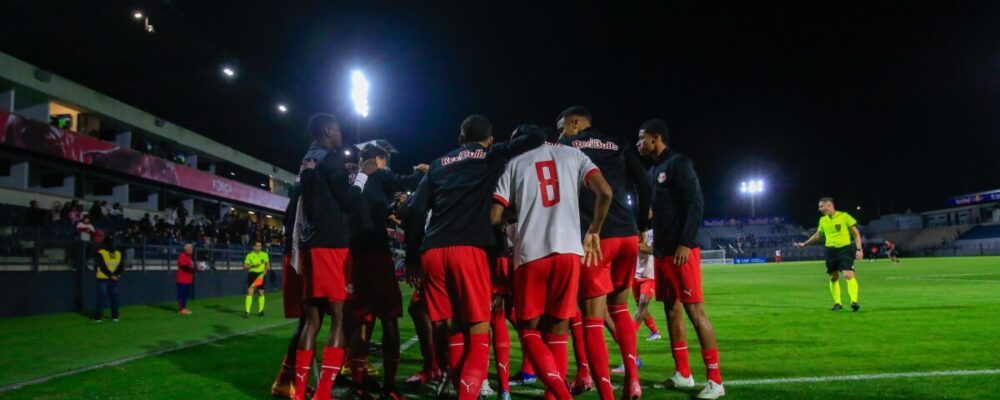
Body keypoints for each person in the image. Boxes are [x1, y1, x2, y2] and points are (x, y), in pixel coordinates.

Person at [403, 115, 543, 399]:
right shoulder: (491, 155)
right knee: (480, 329)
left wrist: (412, 257)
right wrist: (501, 145)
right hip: (470, 250)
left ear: (460, 139)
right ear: (489, 138)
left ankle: (460, 389)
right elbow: (537, 137)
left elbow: (415, 212)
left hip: (432, 252)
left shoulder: (439, 164)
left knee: (452, 328)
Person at [490, 124, 613, 400]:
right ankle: (553, 396)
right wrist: (594, 230)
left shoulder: (515, 163)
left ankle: (560, 395)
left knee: (529, 331)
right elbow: (605, 192)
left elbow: (495, 217)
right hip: (569, 252)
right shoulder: (574, 155)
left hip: (531, 254)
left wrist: (513, 215)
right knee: (559, 330)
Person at [557, 106, 651, 399]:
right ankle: (633, 380)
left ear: (574, 123)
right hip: (626, 234)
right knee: (620, 308)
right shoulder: (619, 144)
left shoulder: (568, 146)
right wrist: (641, 225)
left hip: (595, 238)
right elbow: (644, 183)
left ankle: (606, 393)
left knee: (592, 318)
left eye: (561, 126)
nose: (560, 132)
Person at [637, 119, 724, 399]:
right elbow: (654, 211)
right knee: (671, 310)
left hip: (680, 251)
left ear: (656, 138)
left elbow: (695, 203)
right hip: (661, 253)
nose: (639, 143)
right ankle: (683, 374)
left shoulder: (679, 163)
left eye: (642, 138)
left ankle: (715, 381)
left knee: (695, 312)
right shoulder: (653, 171)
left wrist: (686, 242)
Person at [291, 113, 376, 400]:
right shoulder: (329, 158)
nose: (340, 135)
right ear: (327, 130)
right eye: (338, 131)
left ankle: (301, 390)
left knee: (312, 318)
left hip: (310, 243)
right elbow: (350, 201)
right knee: (339, 317)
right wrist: (363, 175)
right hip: (332, 245)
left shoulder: (307, 158)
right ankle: (323, 393)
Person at [348, 144, 427, 399]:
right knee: (390, 318)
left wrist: (390, 211)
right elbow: (405, 180)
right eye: (386, 160)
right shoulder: (379, 174)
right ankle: (389, 387)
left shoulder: (354, 180)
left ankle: (358, 382)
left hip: (354, 255)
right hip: (376, 254)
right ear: (377, 159)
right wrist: (421, 170)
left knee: (361, 320)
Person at [794, 198, 864, 312]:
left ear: (830, 205)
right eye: (819, 207)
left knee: (848, 275)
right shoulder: (823, 220)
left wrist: (859, 249)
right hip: (830, 251)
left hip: (844, 249)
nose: (820, 209)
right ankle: (837, 303)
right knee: (833, 277)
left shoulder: (844, 216)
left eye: (822, 206)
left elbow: (855, 233)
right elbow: (818, 235)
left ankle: (854, 302)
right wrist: (805, 244)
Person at [633, 230, 661, 341]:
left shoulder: (654, 230)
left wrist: (635, 246)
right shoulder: (634, 228)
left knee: (643, 303)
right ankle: (655, 331)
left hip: (649, 274)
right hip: (635, 274)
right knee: (641, 308)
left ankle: (630, 334)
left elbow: (654, 250)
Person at [94, 237, 124, 322]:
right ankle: (114, 317)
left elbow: (120, 266)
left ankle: (99, 317)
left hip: (105, 278)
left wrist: (113, 275)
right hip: (107, 278)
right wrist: (114, 275)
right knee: (112, 297)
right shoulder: (103, 253)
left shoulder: (102, 252)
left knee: (105, 298)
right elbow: (103, 266)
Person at [243, 241, 270, 318]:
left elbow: (267, 266)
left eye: (260, 246)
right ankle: (247, 312)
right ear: (254, 247)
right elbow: (244, 267)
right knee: (250, 292)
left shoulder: (264, 255)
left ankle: (260, 311)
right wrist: (252, 266)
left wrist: (264, 273)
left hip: (260, 274)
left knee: (261, 293)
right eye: (257, 246)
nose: (259, 247)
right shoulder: (249, 255)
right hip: (252, 274)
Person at [176, 243, 196, 315]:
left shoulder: (188, 257)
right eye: (191, 249)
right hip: (182, 279)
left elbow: (190, 267)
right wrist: (195, 268)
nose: (192, 250)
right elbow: (185, 268)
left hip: (187, 279)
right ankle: (181, 309)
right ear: (187, 249)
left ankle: (184, 308)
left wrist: (195, 268)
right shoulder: (182, 256)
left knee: (185, 295)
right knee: (182, 295)